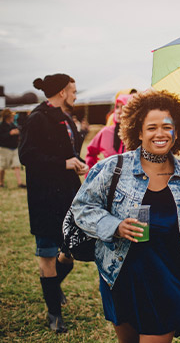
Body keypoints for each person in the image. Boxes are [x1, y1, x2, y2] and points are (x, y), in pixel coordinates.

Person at [70, 90, 180, 343]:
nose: (160, 134)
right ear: (138, 132)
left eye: (167, 127)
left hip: (166, 278)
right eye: (151, 127)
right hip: (121, 275)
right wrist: (115, 226)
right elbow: (82, 207)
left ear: (177, 131)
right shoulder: (113, 168)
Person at [18, 73, 89, 333]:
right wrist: (63, 164)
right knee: (48, 256)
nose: (75, 94)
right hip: (44, 199)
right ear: (61, 92)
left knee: (69, 254)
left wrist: (75, 162)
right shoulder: (36, 118)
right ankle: (54, 315)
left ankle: (52, 287)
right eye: (73, 90)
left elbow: (65, 151)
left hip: (67, 196)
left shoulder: (65, 117)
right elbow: (27, 155)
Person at [85, 94, 132, 170]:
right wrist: (91, 174)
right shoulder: (106, 132)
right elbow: (90, 153)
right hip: (109, 179)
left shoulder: (137, 134)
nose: (118, 111)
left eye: (123, 107)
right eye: (117, 107)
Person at [0, 109, 25, 188]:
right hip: (4, 149)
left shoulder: (12, 125)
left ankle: (20, 183)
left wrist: (17, 132)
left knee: (16, 165)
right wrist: (10, 133)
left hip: (14, 148)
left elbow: (19, 130)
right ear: (8, 117)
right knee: (2, 167)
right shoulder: (2, 126)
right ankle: (1, 182)